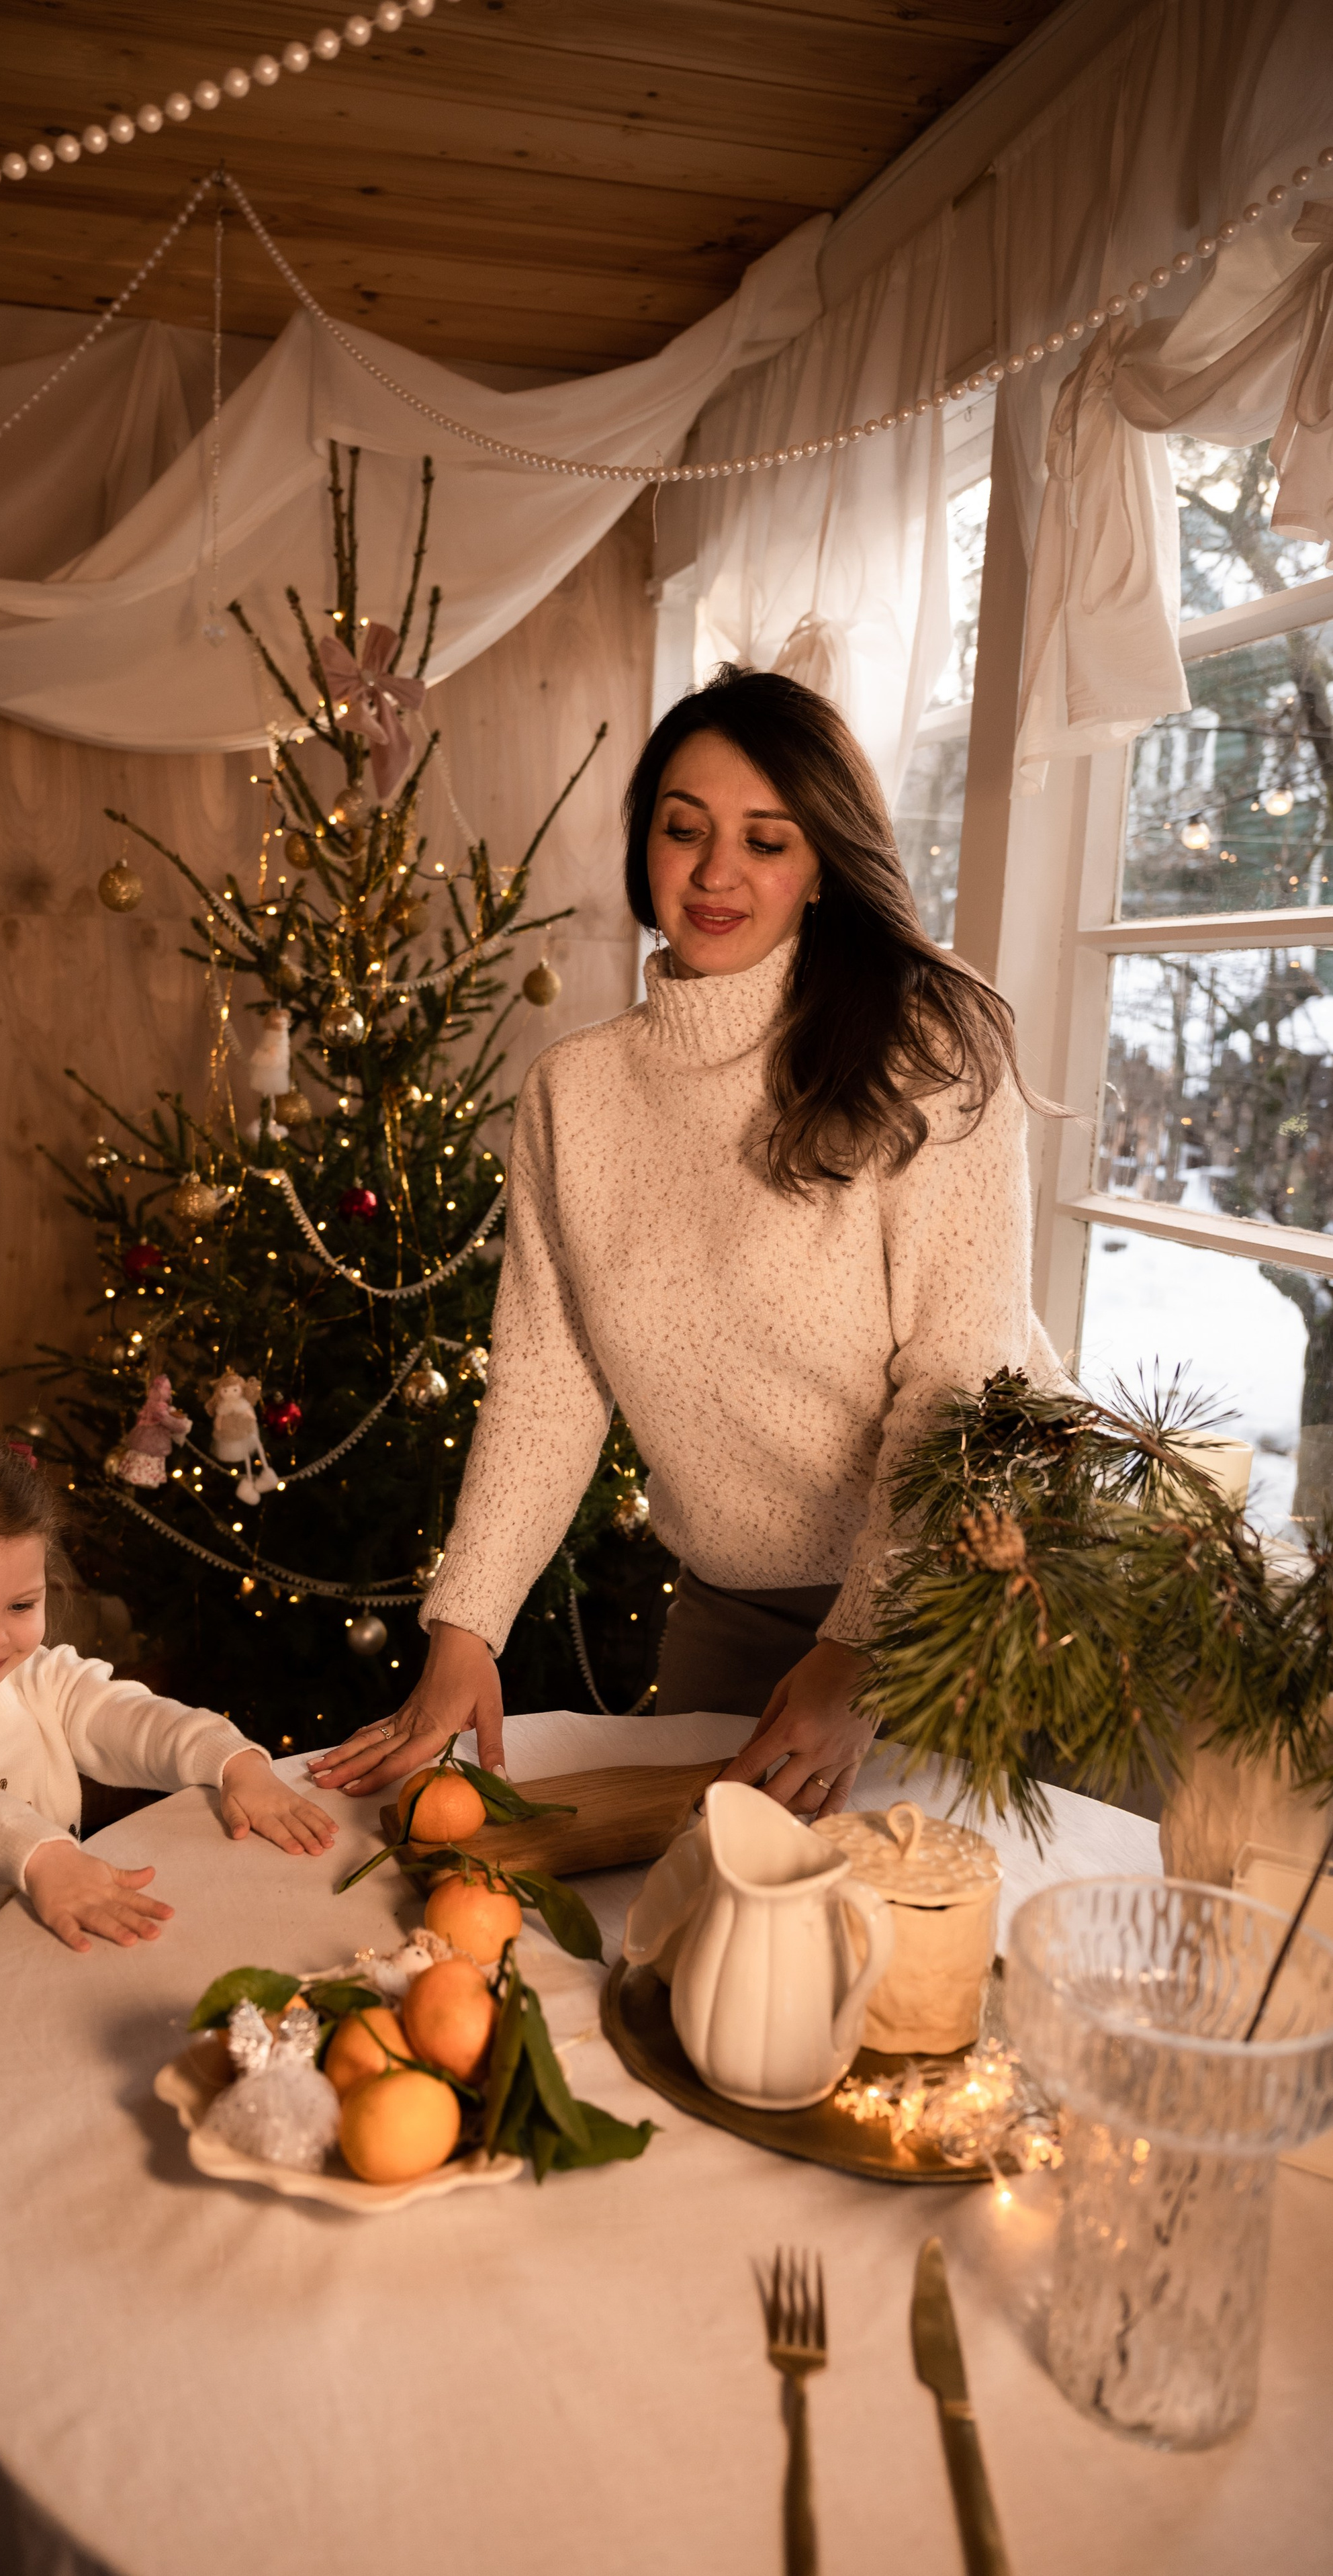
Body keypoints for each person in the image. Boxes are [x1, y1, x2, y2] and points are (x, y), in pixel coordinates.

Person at [310, 666, 1056, 1820]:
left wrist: (864, 1648)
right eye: (685, 829)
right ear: (644, 847)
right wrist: (467, 1627)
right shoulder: (578, 1091)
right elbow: (551, 1384)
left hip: (966, 1586)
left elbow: (964, 1386)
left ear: (821, 868)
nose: (716, 873)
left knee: (922, 1961)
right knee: (674, 1952)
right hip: (732, 1600)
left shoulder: (930, 1046)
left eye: (767, 840)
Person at [0, 1425, 333, 2220]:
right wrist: (44, 1855)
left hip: (26, 1987)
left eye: (22, 1605)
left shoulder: (37, 1675)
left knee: (15, 2197)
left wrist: (232, 1762)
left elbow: (125, 1715)